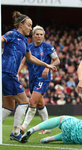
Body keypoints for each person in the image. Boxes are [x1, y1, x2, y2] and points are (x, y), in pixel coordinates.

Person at [1, 11, 57, 141]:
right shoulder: (12, 34)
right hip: (7, 72)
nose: (30, 28)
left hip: (7, 74)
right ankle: (16, 133)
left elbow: (30, 57)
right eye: (29, 25)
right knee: (24, 101)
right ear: (21, 25)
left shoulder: (25, 41)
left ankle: (16, 132)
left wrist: (47, 65)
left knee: (9, 106)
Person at [19, 25, 60, 135]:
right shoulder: (28, 47)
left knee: (32, 101)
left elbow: (57, 60)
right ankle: (47, 128)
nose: (39, 36)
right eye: (37, 34)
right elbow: (23, 61)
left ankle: (22, 127)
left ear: (43, 36)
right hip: (32, 79)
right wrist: (18, 72)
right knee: (40, 104)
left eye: (41, 34)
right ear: (33, 35)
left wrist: (47, 67)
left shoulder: (48, 47)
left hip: (43, 78)